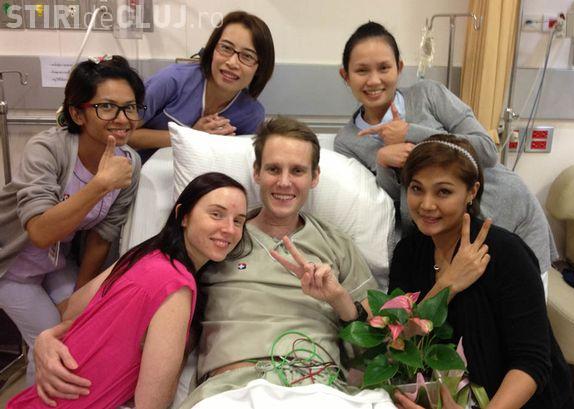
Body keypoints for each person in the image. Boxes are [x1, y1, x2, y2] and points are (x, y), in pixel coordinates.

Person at [176, 117, 380, 407]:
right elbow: (165, 303)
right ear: (256, 172)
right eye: (273, 169)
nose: (284, 182)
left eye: (297, 170)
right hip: (233, 390)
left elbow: (376, 346)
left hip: (316, 389)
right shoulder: (222, 238)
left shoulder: (337, 244)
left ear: (314, 177)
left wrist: (340, 300)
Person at [334, 21, 557, 280]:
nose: (374, 80)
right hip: (439, 236)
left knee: (520, 295)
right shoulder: (347, 141)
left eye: (384, 68)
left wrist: (410, 132)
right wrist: (383, 162)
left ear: (399, 68)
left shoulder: (428, 95)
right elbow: (390, 203)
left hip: (505, 209)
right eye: (362, 70)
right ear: (345, 76)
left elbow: (486, 150)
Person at [7, 172, 251, 409]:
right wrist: (45, 340)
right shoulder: (177, 288)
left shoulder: (142, 255)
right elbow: (152, 402)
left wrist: (48, 336)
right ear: (183, 216)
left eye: (238, 220)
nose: (229, 229)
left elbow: (70, 310)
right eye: (216, 214)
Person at [388, 135, 574, 409]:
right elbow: (399, 340)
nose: (426, 204)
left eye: (443, 192)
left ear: (471, 192)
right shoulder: (408, 254)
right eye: (417, 188)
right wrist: (447, 286)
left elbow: (531, 361)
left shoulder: (506, 253)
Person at [0, 55, 142, 385]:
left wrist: (79, 298)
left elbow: (101, 236)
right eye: (107, 107)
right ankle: (37, 405)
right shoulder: (47, 149)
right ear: (77, 113)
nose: (122, 118)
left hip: (55, 263)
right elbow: (40, 232)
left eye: (130, 108)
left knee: (83, 325)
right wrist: (100, 185)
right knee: (50, 341)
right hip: (10, 266)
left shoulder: (129, 164)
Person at [129, 10, 275, 162]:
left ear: (260, 68)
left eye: (247, 56)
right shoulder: (172, 80)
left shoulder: (252, 114)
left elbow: (241, 163)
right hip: (141, 171)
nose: (232, 62)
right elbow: (125, 134)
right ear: (212, 50)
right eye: (226, 48)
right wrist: (191, 136)